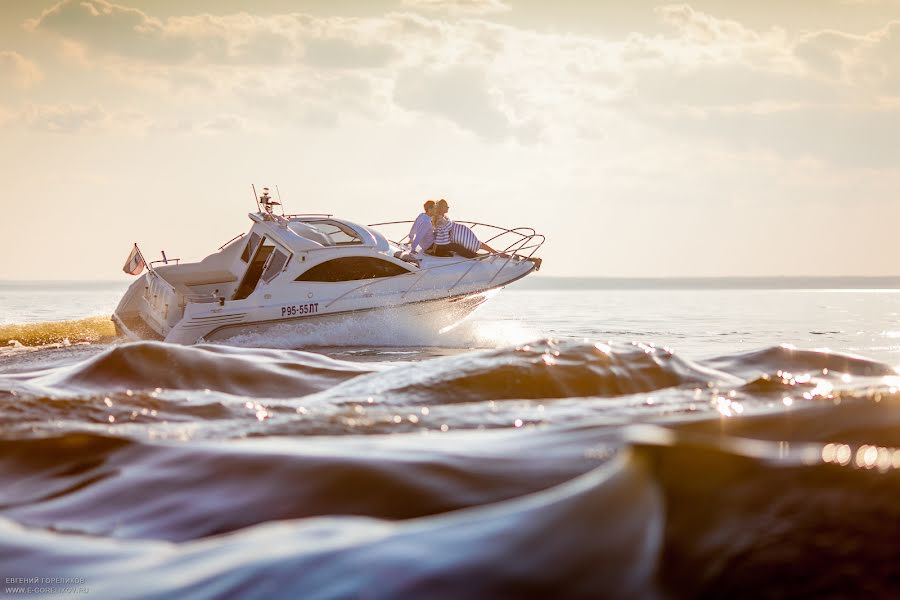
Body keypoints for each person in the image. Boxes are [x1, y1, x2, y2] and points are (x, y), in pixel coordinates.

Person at [432, 198, 499, 258]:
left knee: (459, 245)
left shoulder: (442, 217)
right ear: (441, 208)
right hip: (442, 245)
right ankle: (474, 256)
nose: (448, 207)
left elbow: (447, 228)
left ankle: (492, 252)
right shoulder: (440, 219)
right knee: (458, 247)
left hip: (444, 243)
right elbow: (449, 226)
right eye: (446, 206)